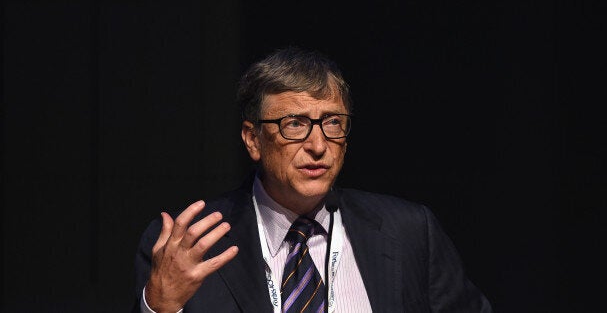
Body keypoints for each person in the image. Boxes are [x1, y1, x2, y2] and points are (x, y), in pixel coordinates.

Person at [133, 46, 493, 313]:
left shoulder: (409, 231)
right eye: (295, 124)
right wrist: (159, 307)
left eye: (332, 122)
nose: (318, 145)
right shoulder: (190, 246)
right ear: (253, 139)